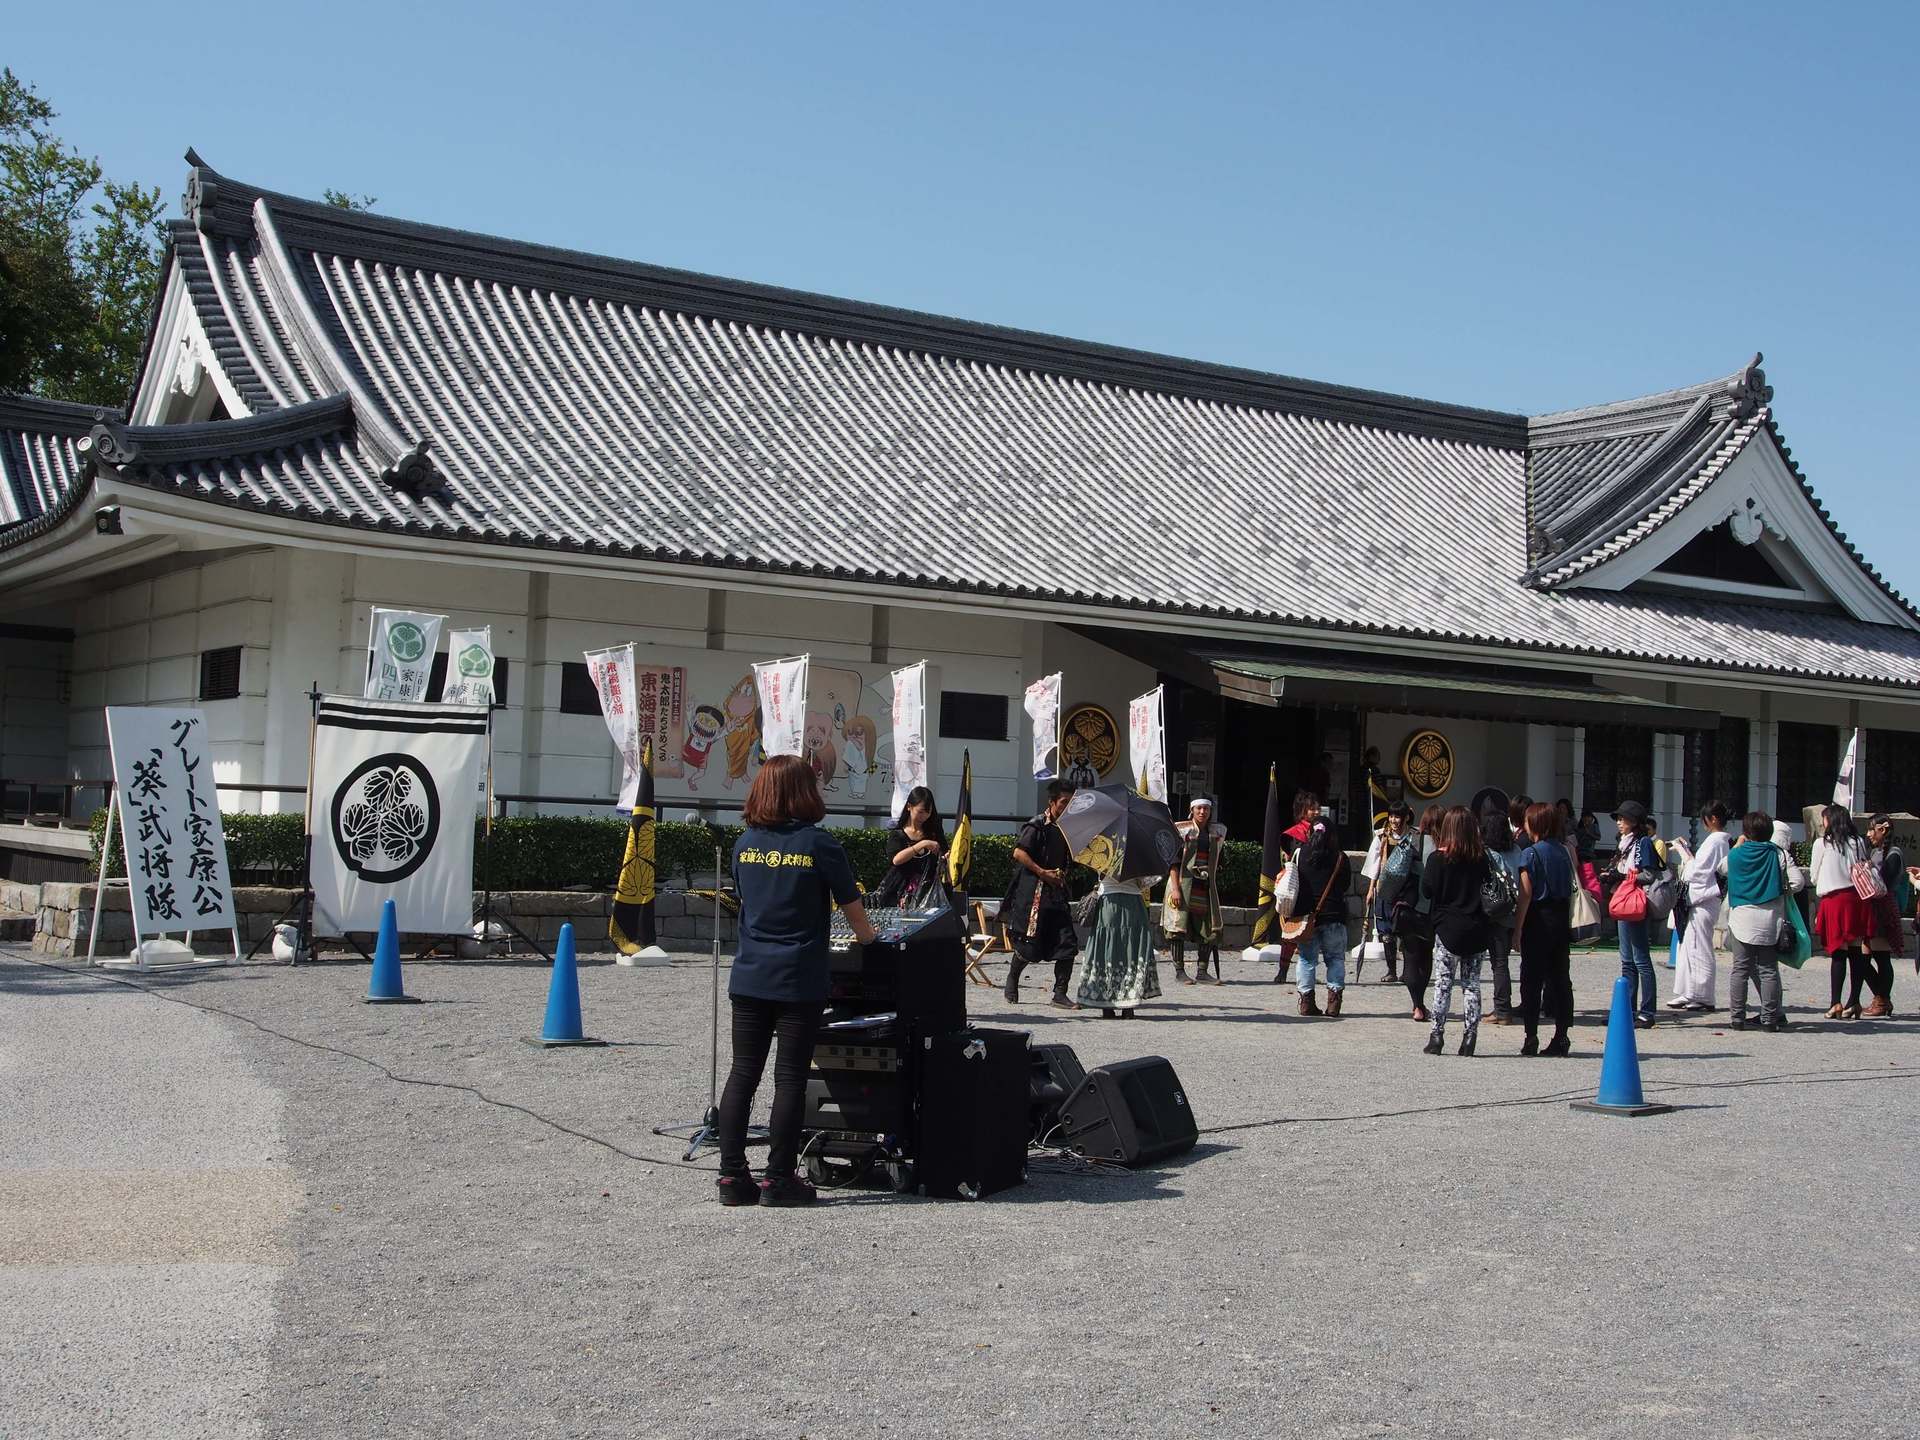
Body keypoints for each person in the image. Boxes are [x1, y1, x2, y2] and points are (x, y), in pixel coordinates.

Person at [717, 754, 877, 1207]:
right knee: (789, 1079)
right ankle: (777, 1179)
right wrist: (871, 938)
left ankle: (732, 1178)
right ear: (803, 792)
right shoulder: (819, 843)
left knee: (742, 1074)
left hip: (749, 974)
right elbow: (855, 913)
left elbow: (747, 899)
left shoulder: (744, 842)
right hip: (797, 976)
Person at [1720, 810, 1806, 1032]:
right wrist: (1782, 890)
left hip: (1741, 918)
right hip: (1769, 918)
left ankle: (1737, 1018)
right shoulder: (1778, 854)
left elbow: (1721, 868)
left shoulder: (1736, 854)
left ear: (1746, 832)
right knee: (1768, 969)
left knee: (1740, 969)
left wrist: (1738, 844)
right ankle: (1770, 1019)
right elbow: (1798, 882)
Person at [1420, 805, 1492, 1056]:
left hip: (1448, 928)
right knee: (1471, 984)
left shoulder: (1437, 859)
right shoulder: (1482, 858)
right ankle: (1470, 1036)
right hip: (1477, 928)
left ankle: (1437, 1036)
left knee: (1443, 983)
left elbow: (1427, 891)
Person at [1003, 780, 1079, 1009]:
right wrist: (1042, 872)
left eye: (1070, 803)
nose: (1066, 808)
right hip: (1034, 896)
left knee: (1068, 944)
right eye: (1063, 803)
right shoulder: (1036, 825)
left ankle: (1060, 993)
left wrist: (1061, 872)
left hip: (1057, 895)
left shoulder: (1068, 829)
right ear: (1053, 802)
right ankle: (1013, 978)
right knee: (1029, 944)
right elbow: (1019, 853)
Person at [1511, 801, 1575, 1056]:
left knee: (1531, 979)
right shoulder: (1564, 851)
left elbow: (1526, 894)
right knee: (1560, 979)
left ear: (1534, 823)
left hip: (1538, 920)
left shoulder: (1531, 854)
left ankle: (1531, 1036)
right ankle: (1562, 1035)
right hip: (1560, 919)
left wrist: (1517, 929)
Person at [1810, 805, 1875, 1020]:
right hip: (1857, 898)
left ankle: (1835, 1002)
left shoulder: (1822, 844)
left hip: (1834, 899)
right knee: (1856, 952)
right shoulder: (1857, 843)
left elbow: (1814, 875)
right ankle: (1854, 1001)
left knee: (1838, 952)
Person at [1669, 800, 1732, 1012]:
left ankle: (1702, 994)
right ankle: (1689, 991)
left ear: (1712, 819)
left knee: (1698, 946)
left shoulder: (1715, 841)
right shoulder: (1721, 841)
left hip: (1703, 899)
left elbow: (1697, 872)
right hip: (1703, 898)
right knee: (1688, 945)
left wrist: (1685, 856)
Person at [1077, 863, 1161, 1017]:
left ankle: (1106, 1005)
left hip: (1108, 902)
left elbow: (1100, 875)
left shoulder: (1104, 846)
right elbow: (1146, 882)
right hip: (1133, 903)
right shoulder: (1139, 852)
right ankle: (1129, 1004)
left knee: (1107, 950)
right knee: (1130, 950)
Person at [1472, 788, 1522, 1024]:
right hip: (1517, 910)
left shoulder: (1486, 853)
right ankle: (1520, 1004)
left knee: (1499, 963)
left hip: (1497, 913)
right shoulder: (1518, 850)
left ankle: (1502, 1010)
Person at [1610, 800, 1662, 1029]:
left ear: (1634, 821)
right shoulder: (1625, 842)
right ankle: (1628, 1010)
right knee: (1626, 961)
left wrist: (1624, 877)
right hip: (1624, 901)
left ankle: (1647, 1011)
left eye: (1623, 819)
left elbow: (1649, 875)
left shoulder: (1642, 843)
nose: (1619, 823)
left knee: (1641, 959)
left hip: (1635, 902)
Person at [1292, 819, 1351, 1016]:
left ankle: (1306, 1002)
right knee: (1335, 959)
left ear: (1310, 833)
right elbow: (1344, 886)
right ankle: (1334, 1002)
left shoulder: (1300, 854)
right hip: (1334, 916)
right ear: (1332, 835)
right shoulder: (1340, 857)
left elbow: (1293, 882)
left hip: (1307, 917)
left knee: (1306, 959)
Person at [1167, 797, 1228, 984]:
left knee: (1208, 928)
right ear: (1192, 809)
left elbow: (1220, 860)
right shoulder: (1181, 830)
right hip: (1183, 885)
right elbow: (1173, 862)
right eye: (1199, 808)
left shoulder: (1216, 833)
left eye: (1206, 809)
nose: (1203, 812)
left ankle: (1202, 972)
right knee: (1177, 928)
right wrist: (1176, 889)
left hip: (1204, 887)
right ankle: (1180, 972)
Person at [1395, 802, 1446, 1021]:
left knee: (1410, 956)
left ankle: (1417, 1004)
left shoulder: (1413, 840)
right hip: (1435, 909)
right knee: (1425, 957)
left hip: (1410, 904)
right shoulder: (1448, 845)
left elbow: (1395, 870)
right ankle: (1421, 1002)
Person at [1271, 791, 1321, 983]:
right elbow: (1291, 859)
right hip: (1298, 886)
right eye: (1311, 808)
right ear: (1302, 811)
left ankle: (1308, 971)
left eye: (1317, 807)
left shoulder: (1322, 831)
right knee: (1291, 929)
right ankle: (1283, 971)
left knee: (1313, 931)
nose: (1315, 811)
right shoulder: (1294, 834)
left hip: (1316, 887)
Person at [870, 785, 945, 909]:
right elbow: (896, 859)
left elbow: (944, 851)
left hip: (927, 893)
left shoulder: (934, 831)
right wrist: (923, 844)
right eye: (920, 812)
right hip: (898, 892)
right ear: (909, 807)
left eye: (928, 812)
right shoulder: (898, 834)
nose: (924, 816)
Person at [1371, 802, 1418, 985]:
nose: (1393, 820)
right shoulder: (1382, 837)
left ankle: (1408, 971)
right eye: (1391, 816)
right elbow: (1375, 865)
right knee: (1386, 933)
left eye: (1397, 816)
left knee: (1406, 933)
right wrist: (1370, 889)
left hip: (1406, 891)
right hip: (1385, 890)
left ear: (1406, 817)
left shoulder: (1414, 837)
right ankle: (1391, 970)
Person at [1862, 813, 1903, 1017]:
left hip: (1883, 908)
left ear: (1883, 830)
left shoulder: (1893, 854)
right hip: (1870, 908)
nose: (1869, 833)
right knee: (1862, 958)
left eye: (1872, 829)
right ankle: (1881, 997)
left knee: (1881, 957)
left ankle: (1882, 1000)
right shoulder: (1873, 851)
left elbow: (1884, 881)